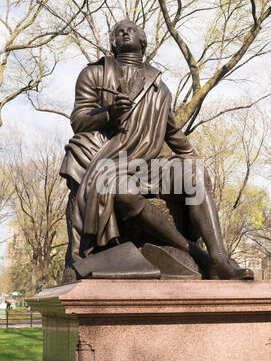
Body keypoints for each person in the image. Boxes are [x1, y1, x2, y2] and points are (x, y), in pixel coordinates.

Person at [60, 19, 253, 280]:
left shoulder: (160, 89)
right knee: (123, 191)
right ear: (113, 43)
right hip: (109, 162)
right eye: (118, 31)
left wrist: (194, 158)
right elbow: (78, 120)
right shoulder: (93, 74)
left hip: (147, 165)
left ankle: (219, 258)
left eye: (131, 29)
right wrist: (109, 114)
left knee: (193, 174)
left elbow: (172, 131)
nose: (124, 31)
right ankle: (196, 254)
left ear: (143, 41)